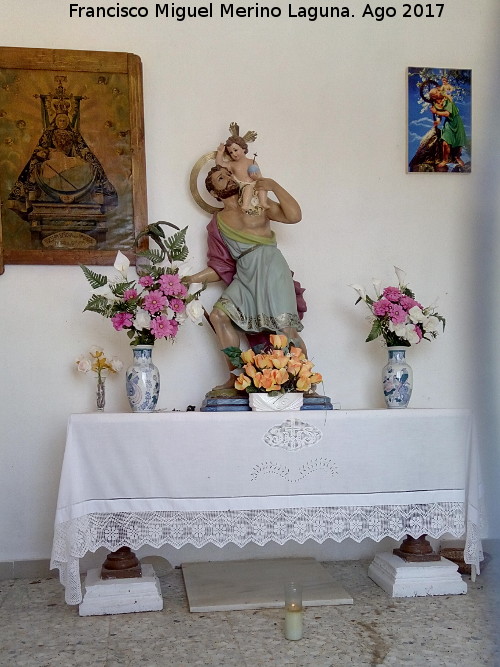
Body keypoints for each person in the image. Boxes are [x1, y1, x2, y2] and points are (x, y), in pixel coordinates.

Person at [186, 165, 306, 390]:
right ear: (214, 193)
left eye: (228, 174)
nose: (228, 178)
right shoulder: (217, 224)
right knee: (219, 316)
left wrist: (273, 186)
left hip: (271, 267)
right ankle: (236, 376)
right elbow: (220, 267)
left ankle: (303, 383)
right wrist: (190, 279)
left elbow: (294, 216)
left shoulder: (257, 204)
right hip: (245, 274)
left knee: (285, 329)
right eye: (221, 178)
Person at [216, 135, 269, 214]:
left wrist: (256, 177)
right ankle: (245, 205)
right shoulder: (231, 164)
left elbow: (260, 177)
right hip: (243, 186)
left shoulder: (252, 162)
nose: (234, 154)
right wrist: (220, 153)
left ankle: (263, 203)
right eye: (231, 152)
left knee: (263, 187)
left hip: (255, 184)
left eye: (235, 150)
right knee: (248, 188)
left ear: (243, 148)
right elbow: (219, 164)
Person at [429, 87, 467, 168]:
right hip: (448, 123)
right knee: (445, 143)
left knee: (458, 142)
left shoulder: (447, 100)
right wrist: (438, 121)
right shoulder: (435, 104)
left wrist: (436, 111)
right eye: (437, 91)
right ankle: (445, 160)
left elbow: (447, 114)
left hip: (456, 122)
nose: (440, 91)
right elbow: (439, 115)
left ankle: (457, 157)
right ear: (434, 97)